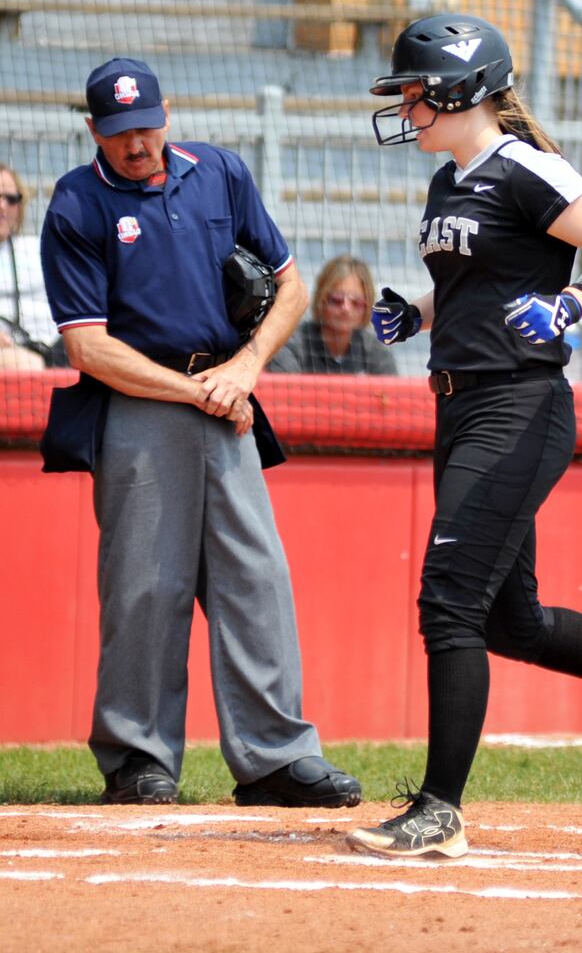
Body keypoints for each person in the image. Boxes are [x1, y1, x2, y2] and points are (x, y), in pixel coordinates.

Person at [343, 14, 582, 857]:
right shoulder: (451, 179)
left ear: (456, 89)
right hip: (460, 404)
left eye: (413, 91)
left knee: (447, 599)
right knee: (511, 622)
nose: (404, 106)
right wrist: (423, 309)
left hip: (519, 405)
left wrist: (575, 302)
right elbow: (484, 275)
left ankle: (439, 811)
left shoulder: (522, 168)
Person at [39, 57, 361, 807]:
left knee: (259, 579)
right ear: (93, 130)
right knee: (146, 586)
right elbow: (89, 347)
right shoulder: (76, 203)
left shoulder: (218, 172)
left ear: (168, 113)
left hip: (228, 392)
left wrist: (245, 369)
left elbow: (289, 284)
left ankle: (276, 757)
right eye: (117, 132)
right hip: (142, 401)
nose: (135, 144)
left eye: (145, 126)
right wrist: (201, 390)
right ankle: (137, 758)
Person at [269, 254, 397, 375]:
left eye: (356, 302)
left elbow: (391, 395)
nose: (346, 308)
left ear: (367, 306)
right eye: (337, 300)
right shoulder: (293, 344)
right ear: (321, 300)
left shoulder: (375, 352)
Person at [0, 163, 56, 369]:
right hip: (13, 356)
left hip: (54, 348)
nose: (2, 207)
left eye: (11, 199)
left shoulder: (38, 249)